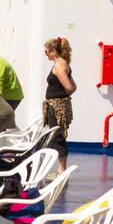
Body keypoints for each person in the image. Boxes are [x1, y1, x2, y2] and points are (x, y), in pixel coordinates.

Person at [43, 37, 76, 172]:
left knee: (58, 136)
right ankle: (60, 168)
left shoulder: (59, 65)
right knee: (56, 136)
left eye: (46, 52)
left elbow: (69, 87)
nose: (45, 55)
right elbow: (74, 86)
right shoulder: (63, 63)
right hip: (57, 105)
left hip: (57, 107)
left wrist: (62, 96)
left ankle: (61, 169)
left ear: (53, 51)